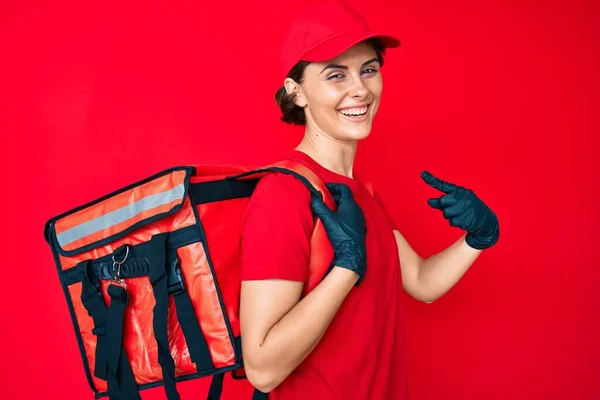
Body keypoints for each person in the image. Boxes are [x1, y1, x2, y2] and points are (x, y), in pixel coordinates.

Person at [239, 1, 500, 399]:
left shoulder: (360, 193)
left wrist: (478, 237)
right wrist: (345, 269)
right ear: (297, 93)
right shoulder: (284, 192)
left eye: (368, 69)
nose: (359, 88)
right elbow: (262, 369)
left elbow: (421, 283)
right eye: (335, 74)